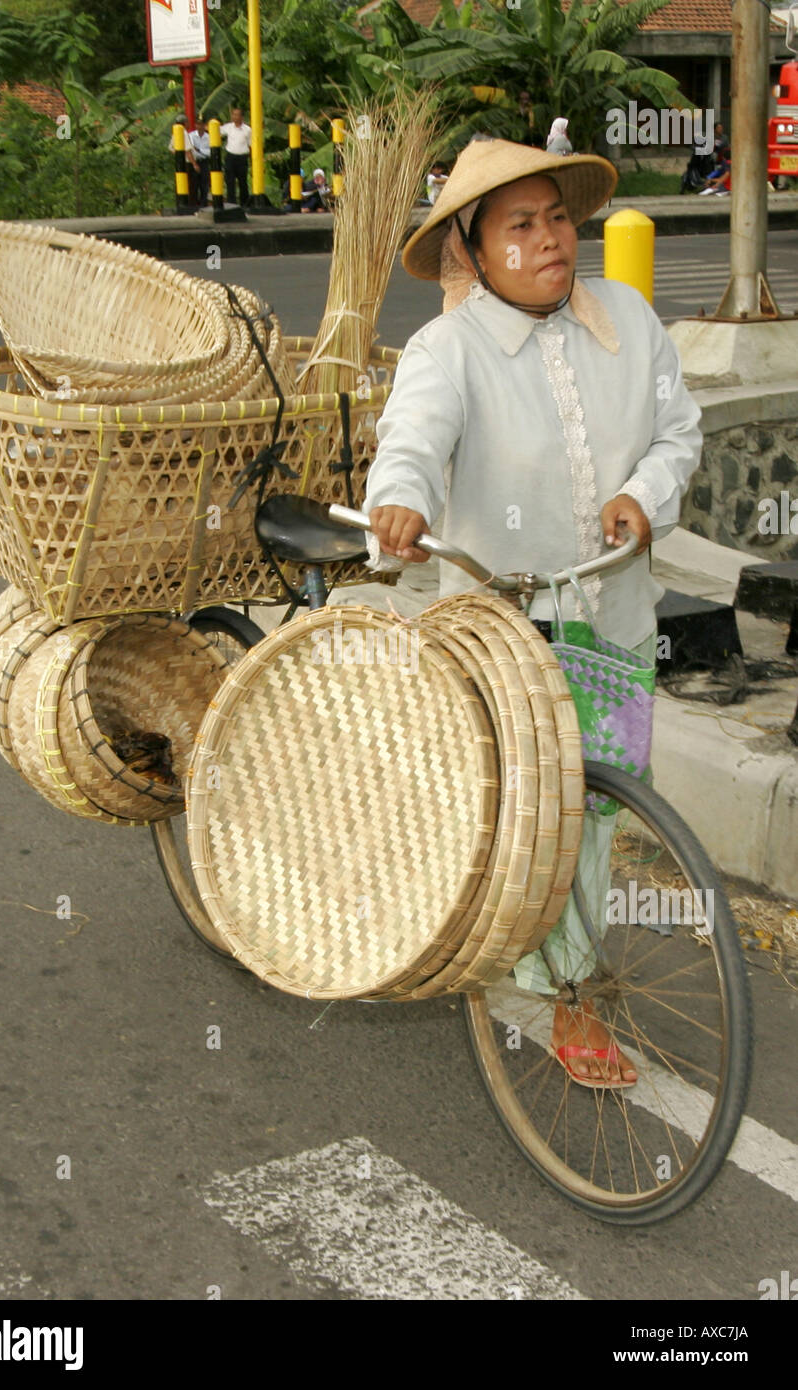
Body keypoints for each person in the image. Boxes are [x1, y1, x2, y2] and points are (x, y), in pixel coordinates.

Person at [363, 139, 702, 1088]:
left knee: (594, 811)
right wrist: (402, 503)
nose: (552, 238)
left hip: (617, 613)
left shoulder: (629, 320)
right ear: (472, 250)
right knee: (512, 814)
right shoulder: (448, 349)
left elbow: (681, 430)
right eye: (522, 225)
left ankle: (564, 989)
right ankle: (488, 953)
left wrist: (645, 495)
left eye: (558, 216)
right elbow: (412, 444)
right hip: (504, 632)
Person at [221, 107, 252, 207]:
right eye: (233, 114)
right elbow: (215, 131)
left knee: (243, 182)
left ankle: (244, 204)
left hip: (242, 158)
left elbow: (251, 145)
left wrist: (251, 159)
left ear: (242, 117)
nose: (235, 117)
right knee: (230, 181)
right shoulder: (228, 127)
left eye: (237, 114)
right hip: (230, 157)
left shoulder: (248, 130)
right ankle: (231, 203)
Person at [168, 115, 199, 201]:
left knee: (181, 184)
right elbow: (188, 151)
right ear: (185, 123)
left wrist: (180, 155)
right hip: (188, 163)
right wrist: (195, 164)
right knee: (191, 185)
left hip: (180, 163)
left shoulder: (176, 132)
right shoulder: (184, 133)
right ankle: (191, 203)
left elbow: (171, 148)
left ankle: (181, 202)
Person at [189, 117, 212, 207]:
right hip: (194, 161)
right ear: (196, 125)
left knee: (204, 184)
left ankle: (203, 204)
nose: (200, 126)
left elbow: (210, 152)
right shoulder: (191, 136)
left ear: (204, 125)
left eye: (202, 124)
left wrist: (199, 150)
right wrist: (202, 151)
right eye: (198, 124)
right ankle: (194, 205)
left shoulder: (209, 137)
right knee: (193, 184)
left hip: (204, 162)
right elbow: (191, 150)